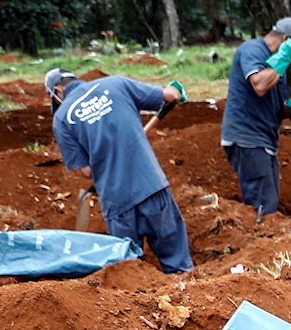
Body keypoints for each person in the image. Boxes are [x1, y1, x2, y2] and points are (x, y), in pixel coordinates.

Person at [45, 68, 192, 274]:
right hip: (151, 187)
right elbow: (170, 95)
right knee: (179, 266)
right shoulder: (116, 84)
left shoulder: (62, 119)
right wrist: (176, 91)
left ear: (57, 90)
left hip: (117, 202)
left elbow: (86, 171)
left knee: (130, 273)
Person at [221, 15, 291, 220]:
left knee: (269, 200)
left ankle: (265, 243)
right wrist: (282, 60)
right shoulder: (252, 50)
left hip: (264, 140)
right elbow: (260, 85)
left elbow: (277, 106)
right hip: (246, 138)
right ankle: (262, 245)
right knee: (263, 205)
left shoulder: (278, 68)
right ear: (285, 41)